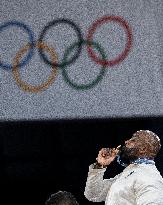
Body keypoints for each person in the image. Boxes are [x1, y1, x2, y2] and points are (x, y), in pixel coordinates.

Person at [84, 130, 163, 205]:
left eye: (133, 140)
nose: (126, 142)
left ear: (143, 149)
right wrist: (100, 165)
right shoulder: (131, 173)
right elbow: (94, 194)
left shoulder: (149, 177)